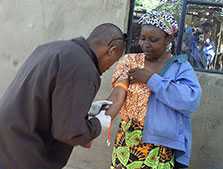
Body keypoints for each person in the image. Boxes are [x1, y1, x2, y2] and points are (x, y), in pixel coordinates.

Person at [0, 23, 126, 169]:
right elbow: (69, 132)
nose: (107, 68)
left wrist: (86, 110)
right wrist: (99, 123)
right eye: (112, 64)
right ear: (112, 50)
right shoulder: (83, 67)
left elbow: (45, 99)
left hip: (9, 141)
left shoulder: (53, 48)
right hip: (27, 153)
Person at [106, 11, 201, 169]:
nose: (145, 44)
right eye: (142, 38)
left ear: (168, 39)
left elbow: (190, 100)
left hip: (159, 145)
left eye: (153, 39)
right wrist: (102, 117)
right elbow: (118, 92)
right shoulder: (131, 61)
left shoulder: (180, 67)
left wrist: (151, 79)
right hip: (127, 140)